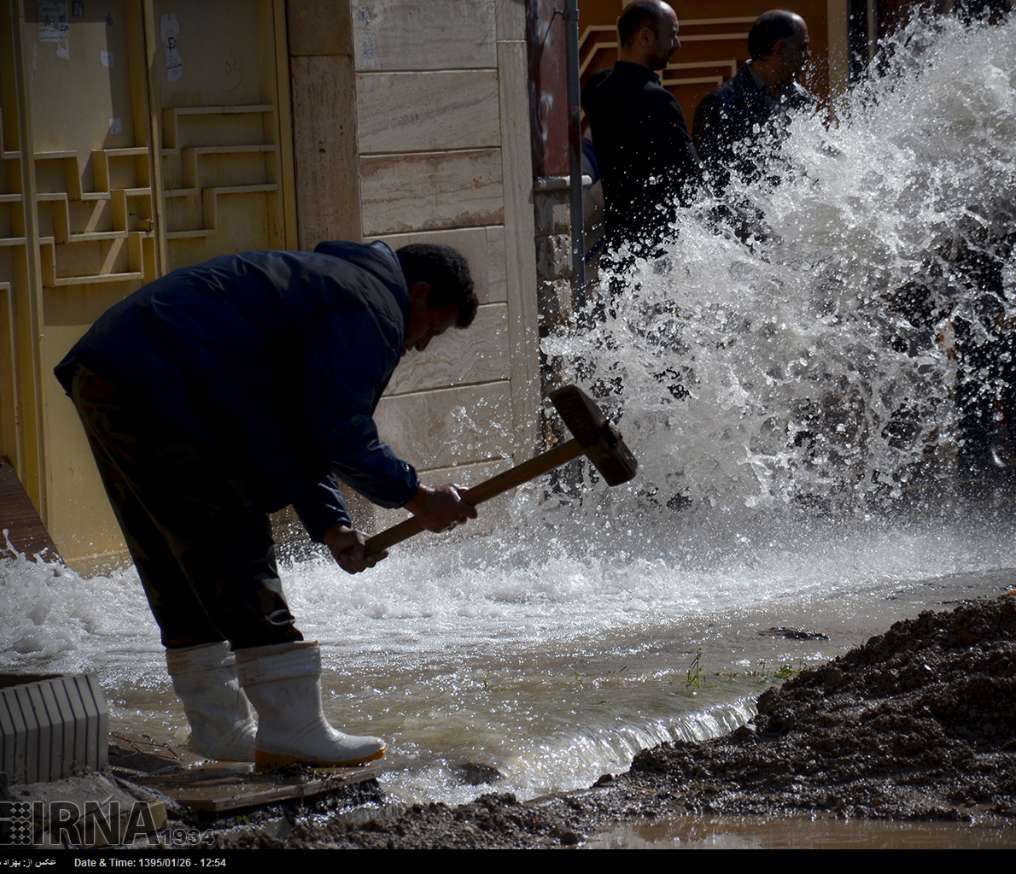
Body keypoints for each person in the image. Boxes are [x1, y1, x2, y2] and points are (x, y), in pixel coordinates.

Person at [54, 240, 479, 769]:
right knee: (232, 532)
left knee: (172, 552)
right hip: (163, 381)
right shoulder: (371, 303)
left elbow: (297, 429)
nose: (418, 346)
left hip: (110, 372)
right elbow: (339, 432)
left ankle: (219, 729)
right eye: (431, 331)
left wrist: (333, 528)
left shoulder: (334, 283)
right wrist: (417, 497)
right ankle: (292, 728)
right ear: (419, 294)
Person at [583, 0, 702, 260]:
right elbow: (692, 177)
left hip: (617, 249)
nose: (677, 45)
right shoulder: (657, 101)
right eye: (672, 35)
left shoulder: (597, 90)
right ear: (645, 37)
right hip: (657, 254)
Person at [692, 10, 812, 195]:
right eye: (802, 48)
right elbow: (712, 183)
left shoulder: (801, 99)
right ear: (780, 48)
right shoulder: (721, 104)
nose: (807, 56)